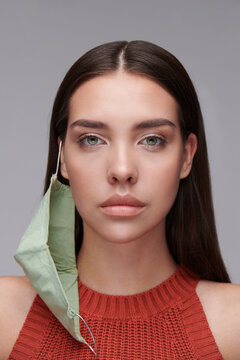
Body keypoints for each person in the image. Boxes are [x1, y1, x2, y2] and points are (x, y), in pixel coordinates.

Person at [0, 40, 239, 360]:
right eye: (92, 139)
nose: (122, 170)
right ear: (64, 159)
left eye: (152, 140)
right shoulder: (5, 318)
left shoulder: (233, 326)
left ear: (186, 156)